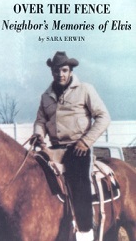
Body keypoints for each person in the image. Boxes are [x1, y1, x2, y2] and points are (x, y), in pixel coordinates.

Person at [31, 51, 111, 241]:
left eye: (64, 70)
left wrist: (86, 141)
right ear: (52, 72)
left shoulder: (85, 90)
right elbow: (40, 121)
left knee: (78, 180)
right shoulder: (46, 97)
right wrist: (38, 135)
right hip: (54, 148)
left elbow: (103, 117)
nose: (61, 74)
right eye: (57, 70)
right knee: (32, 171)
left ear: (70, 70)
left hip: (78, 147)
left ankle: (85, 232)